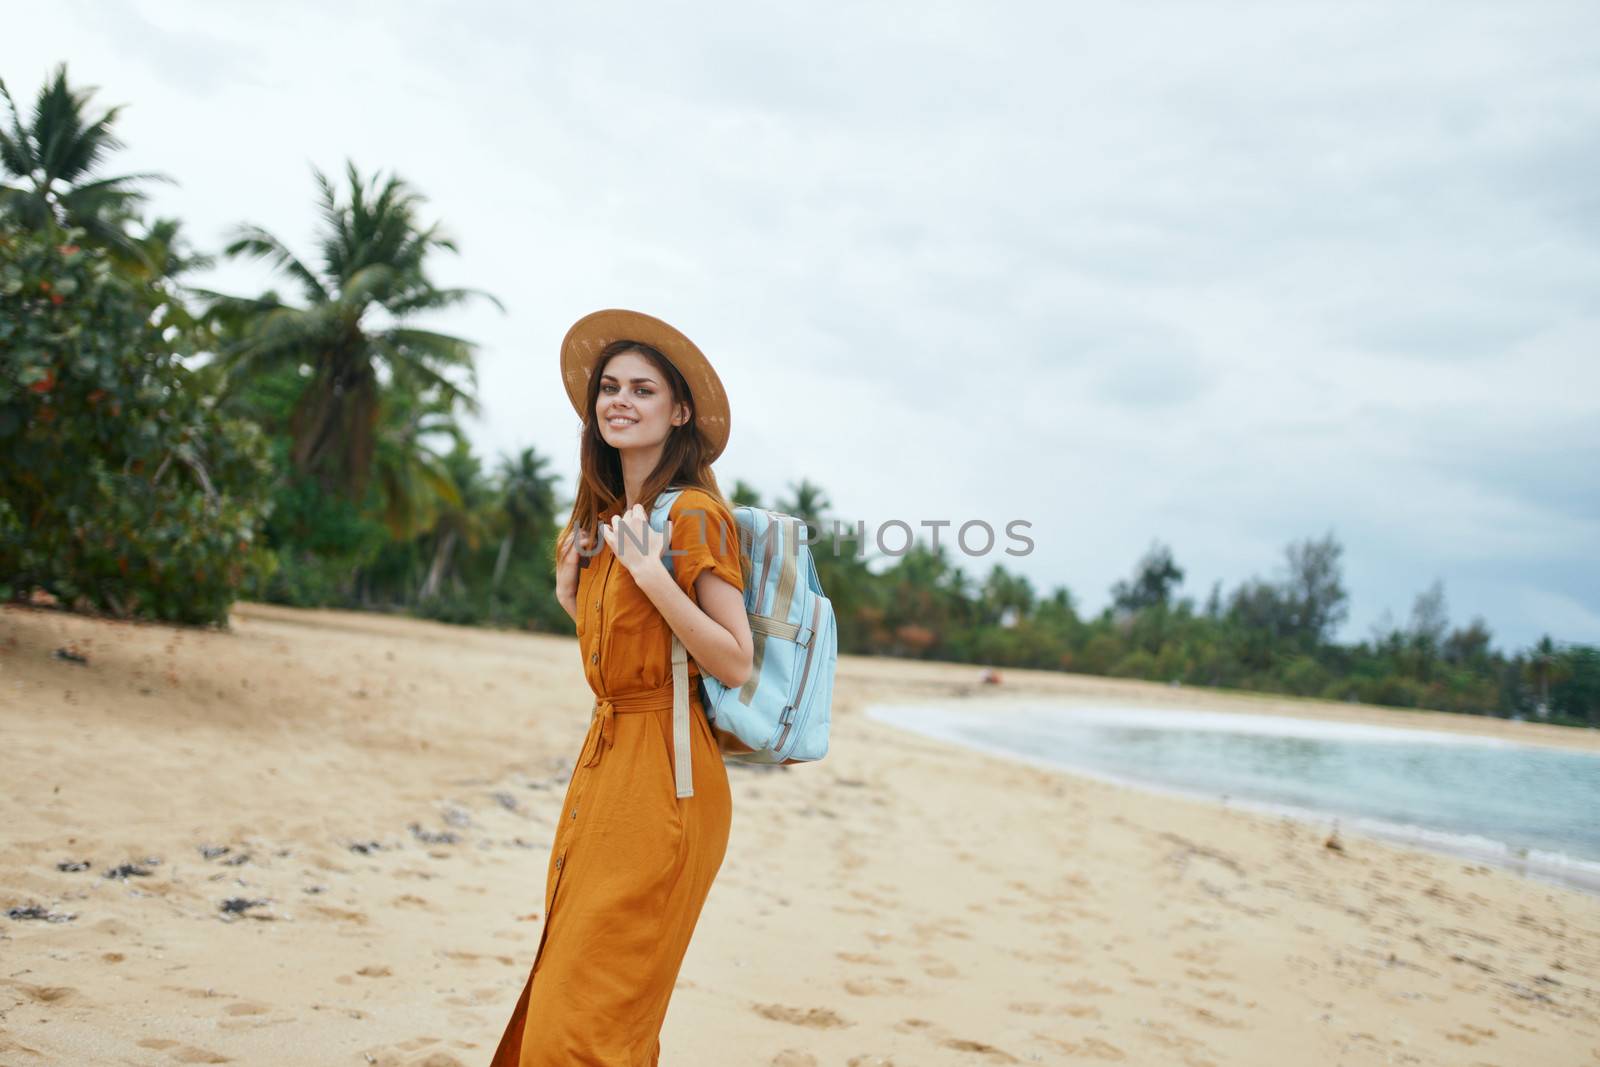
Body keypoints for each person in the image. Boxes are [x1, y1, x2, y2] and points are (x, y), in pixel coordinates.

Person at [490, 309, 754, 1066]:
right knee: (570, 984)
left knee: (591, 1011)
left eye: (643, 389)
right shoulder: (611, 521)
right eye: (609, 387)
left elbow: (734, 659)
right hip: (606, 768)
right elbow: (627, 654)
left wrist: (647, 571)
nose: (620, 400)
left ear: (679, 413)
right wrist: (577, 594)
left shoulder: (695, 516)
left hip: (666, 780)